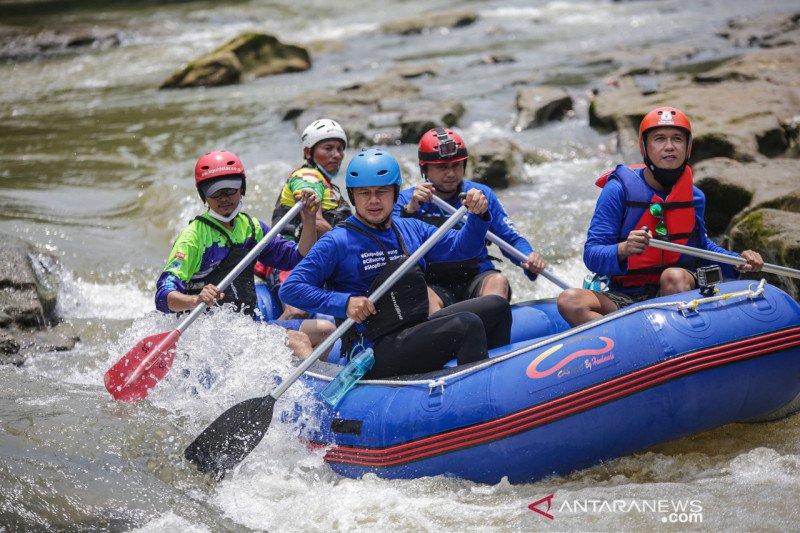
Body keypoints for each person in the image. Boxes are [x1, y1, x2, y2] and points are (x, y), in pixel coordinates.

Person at [279, 148, 513, 379]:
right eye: (364, 193)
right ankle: (475, 396)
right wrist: (345, 302)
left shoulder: (410, 228)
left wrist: (478, 217)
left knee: (496, 307)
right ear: (353, 196)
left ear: (395, 192)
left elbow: (464, 247)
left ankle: (492, 382)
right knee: (467, 324)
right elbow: (291, 289)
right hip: (372, 349)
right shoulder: (337, 241)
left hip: (413, 327)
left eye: (381, 191)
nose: (373, 201)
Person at [556, 106, 764, 327]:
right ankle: (629, 342)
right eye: (659, 139)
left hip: (675, 289)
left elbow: (701, 248)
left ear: (688, 147)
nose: (669, 147)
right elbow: (592, 255)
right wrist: (624, 249)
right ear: (644, 147)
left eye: (677, 139)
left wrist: (738, 262)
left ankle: (675, 337)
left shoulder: (695, 197)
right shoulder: (618, 191)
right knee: (570, 301)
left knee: (673, 276)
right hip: (625, 295)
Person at [155, 150, 335, 359]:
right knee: (299, 340)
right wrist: (195, 300)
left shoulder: (251, 227)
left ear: (242, 188)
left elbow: (296, 257)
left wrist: (309, 219)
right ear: (203, 195)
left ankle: (318, 386)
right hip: (211, 336)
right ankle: (309, 390)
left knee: (326, 330)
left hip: (247, 327)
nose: (224, 199)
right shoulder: (192, 238)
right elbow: (163, 296)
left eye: (231, 190)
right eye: (215, 193)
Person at [395, 127, 545, 311]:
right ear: (425, 168)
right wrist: (410, 211)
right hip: (431, 281)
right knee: (424, 295)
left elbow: (510, 238)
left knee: (499, 281)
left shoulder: (482, 195)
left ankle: (492, 328)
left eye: (456, 165)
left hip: (475, 275)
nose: (451, 173)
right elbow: (392, 247)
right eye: (442, 167)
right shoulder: (406, 200)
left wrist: (528, 256)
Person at [255, 118, 353, 318]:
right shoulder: (308, 176)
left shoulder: (331, 188)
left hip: (321, 262)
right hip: (291, 260)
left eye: (340, 148)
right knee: (297, 311)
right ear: (309, 152)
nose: (336, 154)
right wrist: (353, 246)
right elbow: (314, 218)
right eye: (328, 148)